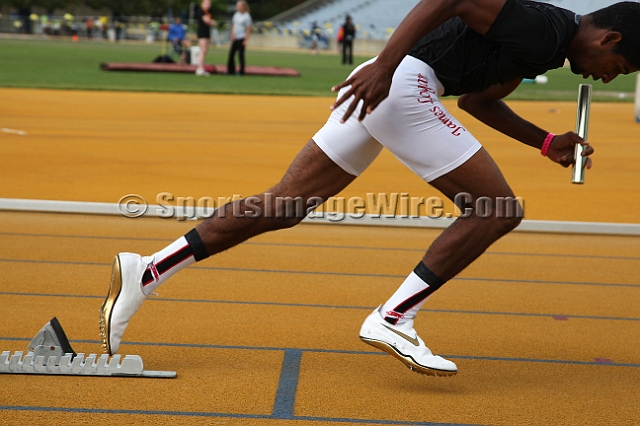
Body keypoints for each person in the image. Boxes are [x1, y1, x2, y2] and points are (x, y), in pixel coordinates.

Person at [100, 0, 639, 377]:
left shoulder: (541, 47)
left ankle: (147, 270)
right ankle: (393, 317)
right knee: (497, 209)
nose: (614, 77)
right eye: (622, 66)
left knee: (285, 204)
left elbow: (478, 101)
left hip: (391, 80)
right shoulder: (546, 28)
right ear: (609, 38)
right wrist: (384, 67)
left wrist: (546, 142)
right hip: (397, 81)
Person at [227, 0, 252, 75]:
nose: (237, 7)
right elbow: (233, 25)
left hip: (241, 37)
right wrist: (232, 34)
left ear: (243, 6)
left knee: (240, 55)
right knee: (231, 54)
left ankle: (241, 71)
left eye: (239, 5)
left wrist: (246, 39)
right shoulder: (236, 15)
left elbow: (248, 29)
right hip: (235, 37)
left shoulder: (247, 16)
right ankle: (231, 70)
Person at [195, 0, 217, 76]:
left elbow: (213, 22)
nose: (208, 4)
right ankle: (199, 68)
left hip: (207, 32)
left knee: (205, 50)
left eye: (209, 3)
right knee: (203, 50)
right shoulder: (201, 10)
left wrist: (211, 22)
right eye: (206, 3)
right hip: (202, 32)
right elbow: (207, 21)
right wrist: (211, 22)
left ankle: (202, 68)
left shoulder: (208, 12)